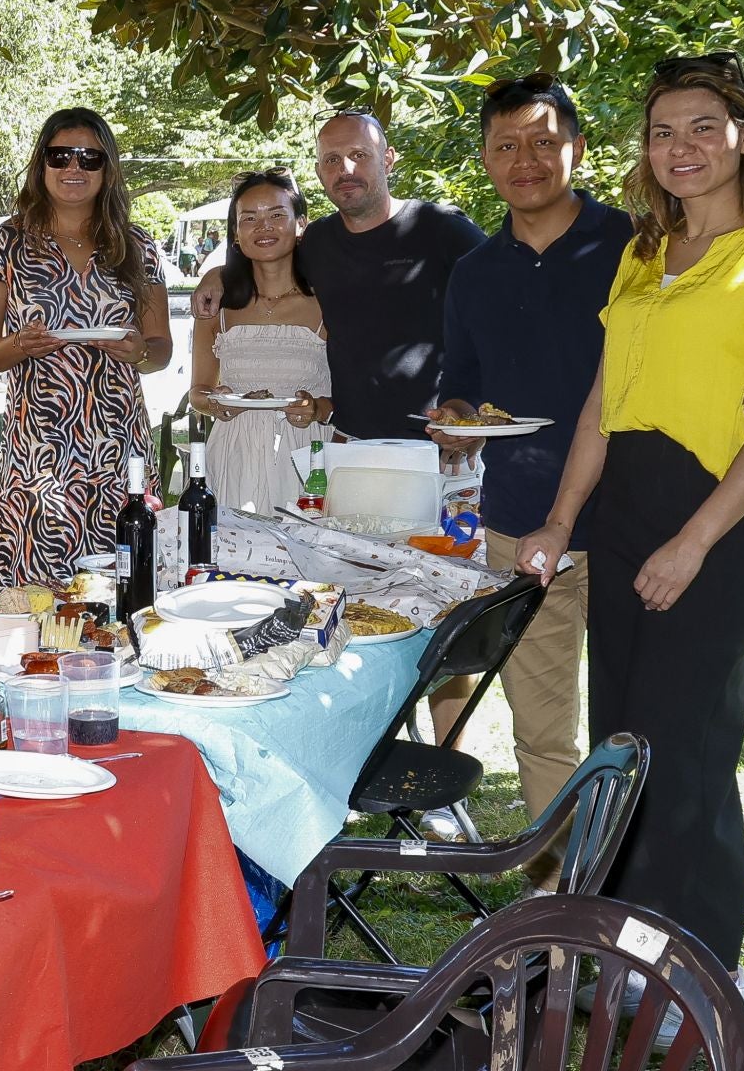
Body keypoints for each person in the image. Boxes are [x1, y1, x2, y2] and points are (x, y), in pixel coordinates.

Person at [518, 52, 744, 1019]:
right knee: (620, 745)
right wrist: (559, 519)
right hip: (622, 507)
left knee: (690, 749)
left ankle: (707, 968)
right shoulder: (641, 253)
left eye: (703, 127)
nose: (681, 148)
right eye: (663, 131)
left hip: (717, 516)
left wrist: (696, 541)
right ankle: (631, 954)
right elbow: (603, 400)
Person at [421, 75, 630, 879]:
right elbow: (461, 379)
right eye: (506, 145)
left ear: (576, 148)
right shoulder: (474, 271)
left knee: (643, 727)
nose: (526, 160)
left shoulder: (634, 246)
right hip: (521, 526)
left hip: (638, 522)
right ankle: (557, 931)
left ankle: (646, 901)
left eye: (545, 141)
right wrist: (455, 414)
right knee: (544, 734)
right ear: (484, 157)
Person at [0, 107, 173, 587]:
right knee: (37, 599)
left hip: (120, 450)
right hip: (37, 453)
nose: (74, 168)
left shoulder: (137, 246)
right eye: (60, 156)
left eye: (89, 158)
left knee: (126, 590)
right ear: (42, 164)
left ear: (108, 168)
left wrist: (138, 351)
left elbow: (161, 350)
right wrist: (19, 345)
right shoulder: (6, 244)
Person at [195, 110, 485, 438]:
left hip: (440, 448)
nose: (344, 170)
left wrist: (471, 414)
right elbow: (266, 257)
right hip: (350, 446)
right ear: (319, 172)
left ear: (388, 160)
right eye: (331, 160)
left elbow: (502, 326)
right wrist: (217, 275)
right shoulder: (318, 241)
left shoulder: (442, 229)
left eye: (359, 155)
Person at [187, 168, 330, 516]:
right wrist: (217, 403)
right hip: (233, 453)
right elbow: (197, 393)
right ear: (236, 234)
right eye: (249, 218)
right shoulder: (216, 306)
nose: (263, 227)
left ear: (301, 224)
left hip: (307, 457)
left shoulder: (328, 301)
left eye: (277, 215)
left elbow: (347, 398)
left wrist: (316, 408)